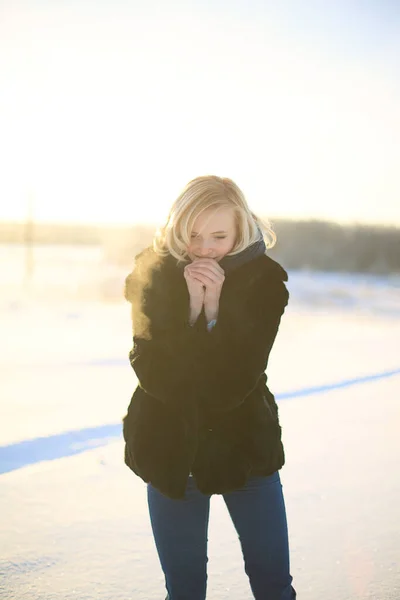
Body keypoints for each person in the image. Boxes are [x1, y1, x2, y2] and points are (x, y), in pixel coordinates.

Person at [123, 175, 296, 600]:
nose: (204, 248)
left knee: (274, 586)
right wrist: (191, 311)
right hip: (170, 452)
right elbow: (155, 374)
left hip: (245, 450)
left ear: (241, 231)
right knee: (183, 592)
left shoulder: (263, 283)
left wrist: (214, 311)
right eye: (194, 235)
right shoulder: (153, 275)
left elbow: (231, 386)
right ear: (177, 228)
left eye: (219, 235)